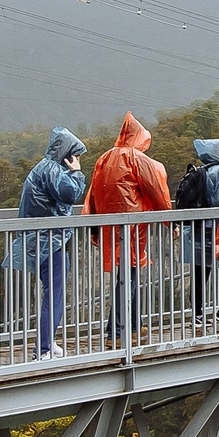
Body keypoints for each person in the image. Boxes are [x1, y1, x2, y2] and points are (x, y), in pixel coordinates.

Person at [84, 113, 171, 341]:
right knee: (128, 278)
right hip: (131, 228)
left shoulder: (104, 158)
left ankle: (132, 325)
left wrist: (93, 228)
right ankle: (117, 330)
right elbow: (157, 191)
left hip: (109, 226)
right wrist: (170, 221)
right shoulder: (136, 158)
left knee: (127, 275)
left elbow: (92, 195)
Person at [17, 128, 87, 355]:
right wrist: (76, 172)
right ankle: (44, 348)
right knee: (54, 292)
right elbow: (69, 194)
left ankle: (48, 340)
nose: (77, 160)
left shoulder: (44, 168)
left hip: (44, 239)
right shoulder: (52, 170)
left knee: (53, 292)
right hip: (49, 241)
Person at [176, 138, 219, 323]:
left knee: (200, 271)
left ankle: (198, 313)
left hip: (200, 228)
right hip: (218, 229)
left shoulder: (202, 171)